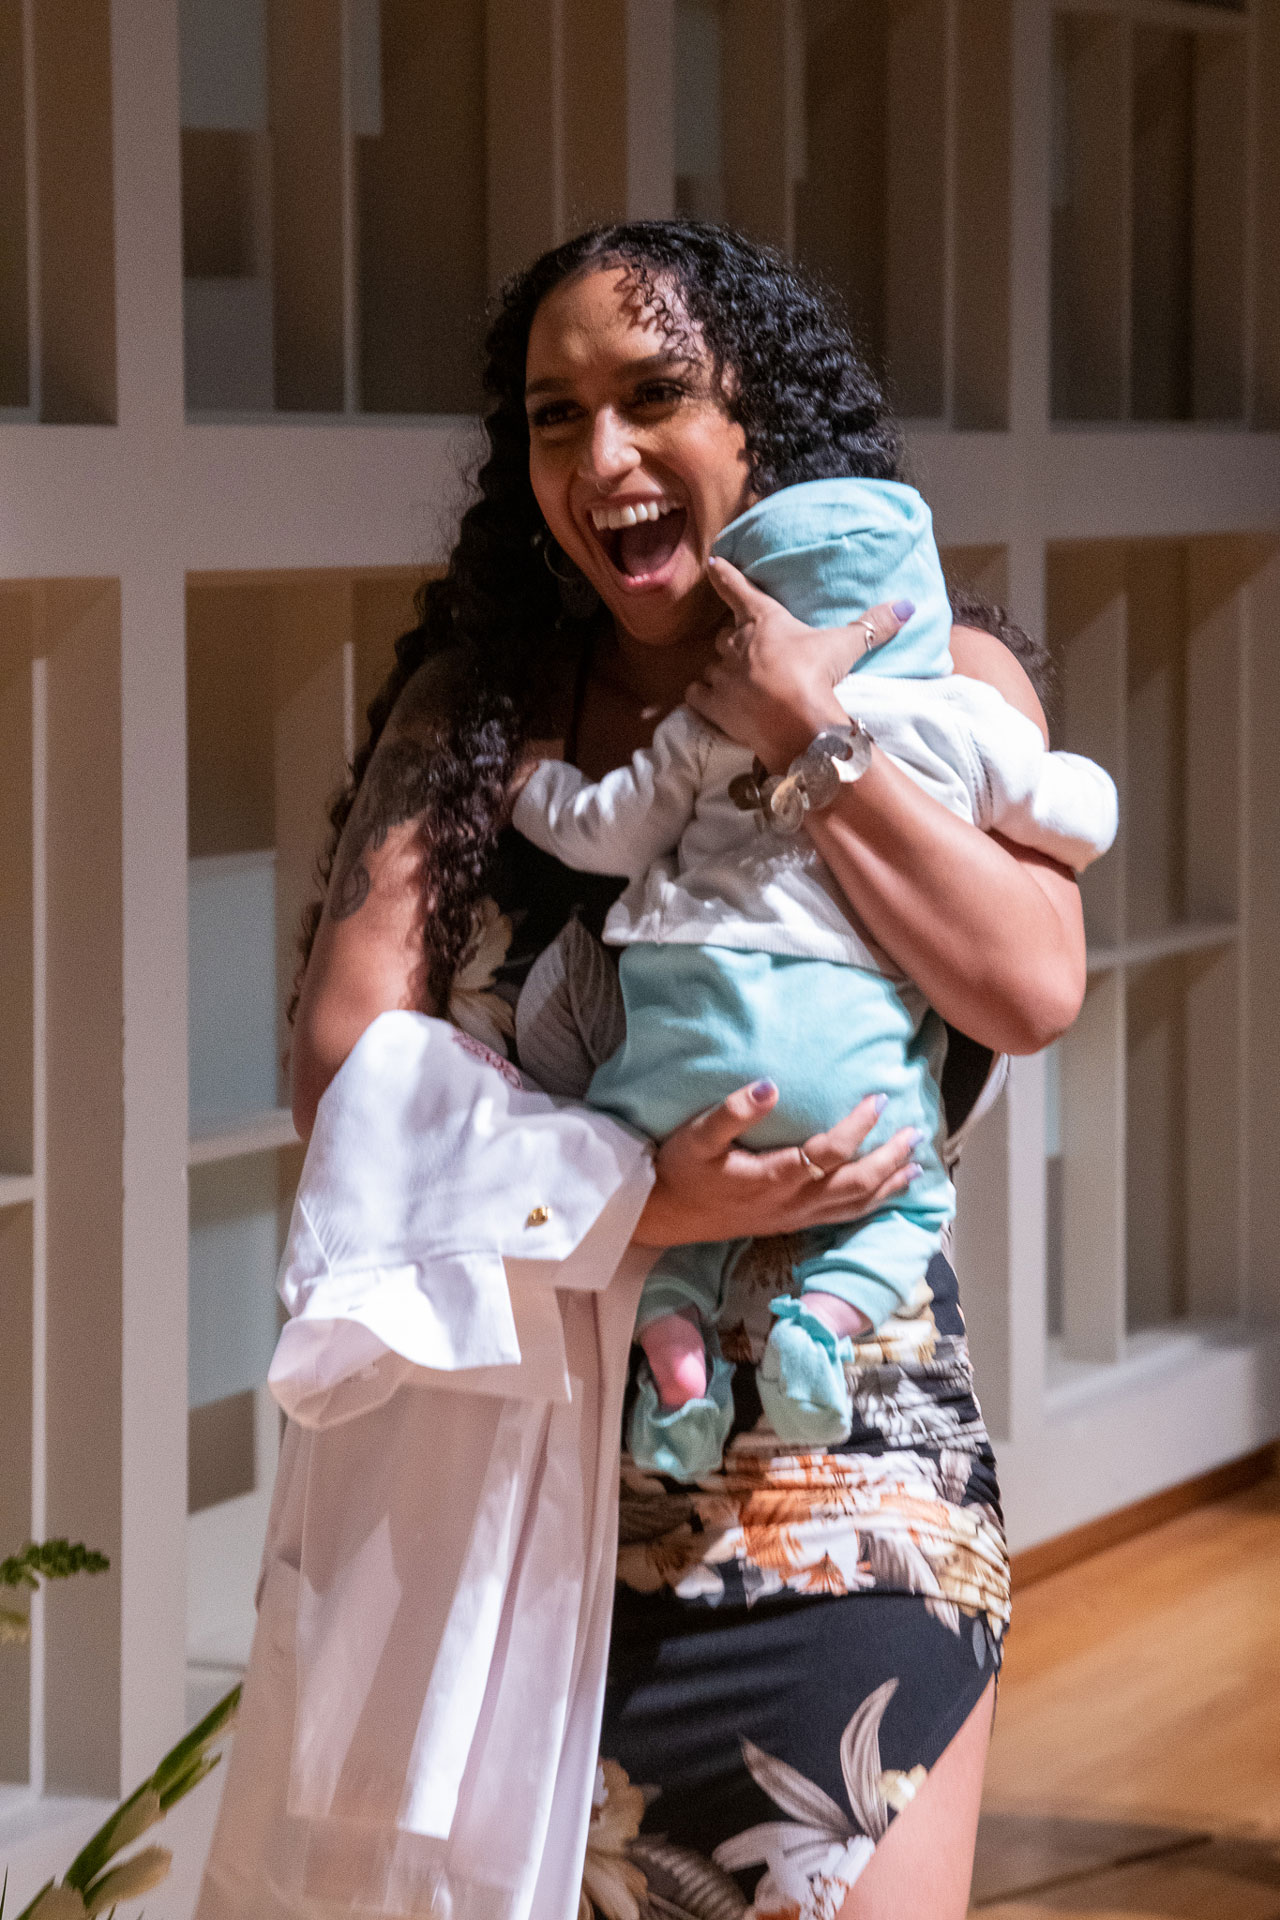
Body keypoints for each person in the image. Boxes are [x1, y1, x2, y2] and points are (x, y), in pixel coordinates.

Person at [282, 222, 1087, 1920]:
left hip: (846, 1462)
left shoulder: (941, 664)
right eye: (554, 417)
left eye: (656, 396)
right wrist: (631, 1193)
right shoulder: (482, 712)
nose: (603, 458)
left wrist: (807, 732)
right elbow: (342, 1062)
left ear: (760, 427)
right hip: (526, 1488)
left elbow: (1025, 984)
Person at [510, 473, 1113, 1481]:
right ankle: (821, 1329)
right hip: (847, 1078)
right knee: (908, 1196)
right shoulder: (956, 716)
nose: (608, 455)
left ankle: (671, 1353)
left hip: (680, 1047)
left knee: (646, 1187)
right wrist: (1068, 791)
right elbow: (1079, 814)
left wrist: (530, 782)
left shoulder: (703, 726)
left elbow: (598, 831)